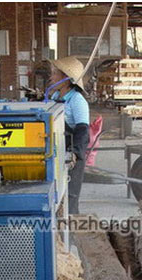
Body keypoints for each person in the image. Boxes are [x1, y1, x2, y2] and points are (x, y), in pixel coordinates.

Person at [46, 56, 90, 215]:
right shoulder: (55, 97)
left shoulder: (77, 100)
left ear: (66, 78)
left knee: (70, 196)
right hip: (57, 151)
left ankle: (71, 234)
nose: (51, 77)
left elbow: (82, 130)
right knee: (56, 196)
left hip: (72, 153)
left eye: (54, 74)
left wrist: (75, 154)